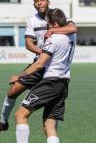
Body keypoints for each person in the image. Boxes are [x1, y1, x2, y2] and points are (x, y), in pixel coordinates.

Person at [0, 0, 78, 138]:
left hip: (49, 68)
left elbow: (73, 28)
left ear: (48, 2)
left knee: (40, 120)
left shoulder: (57, 17)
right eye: (37, 1)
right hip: (41, 63)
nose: (39, 2)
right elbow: (29, 44)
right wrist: (42, 51)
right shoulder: (32, 20)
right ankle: (3, 122)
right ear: (34, 4)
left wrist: (53, 32)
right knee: (13, 90)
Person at [14, 8, 76, 143]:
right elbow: (72, 28)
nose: (46, 25)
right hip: (63, 84)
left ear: (53, 23)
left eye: (48, 22)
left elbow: (39, 64)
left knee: (20, 115)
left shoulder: (54, 39)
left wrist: (20, 76)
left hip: (50, 82)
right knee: (49, 126)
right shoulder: (71, 36)